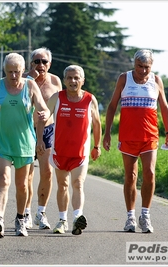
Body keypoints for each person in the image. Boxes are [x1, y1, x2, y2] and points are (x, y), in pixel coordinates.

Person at [0, 53, 50, 238]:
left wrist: (45, 114)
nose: (13, 76)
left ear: (23, 71)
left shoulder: (30, 86)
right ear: (4, 71)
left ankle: (20, 219)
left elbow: (43, 107)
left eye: (17, 72)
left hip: (24, 143)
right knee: (3, 180)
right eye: (10, 72)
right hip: (2, 141)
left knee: (22, 185)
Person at [102, 49, 168, 233]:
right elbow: (111, 107)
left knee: (149, 173)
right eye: (139, 66)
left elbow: (164, 107)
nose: (142, 70)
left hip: (149, 136)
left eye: (146, 67)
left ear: (152, 66)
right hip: (128, 136)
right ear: (134, 64)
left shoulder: (156, 81)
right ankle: (130, 217)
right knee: (130, 177)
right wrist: (107, 132)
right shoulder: (124, 79)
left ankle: (146, 215)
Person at [37, 65, 102, 235]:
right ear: (64, 80)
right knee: (63, 185)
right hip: (60, 152)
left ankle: (77, 218)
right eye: (70, 78)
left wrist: (97, 146)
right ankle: (62, 220)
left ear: (82, 80)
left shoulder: (90, 99)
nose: (73, 81)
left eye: (76, 78)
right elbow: (43, 118)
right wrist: (39, 140)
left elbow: (96, 124)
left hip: (80, 153)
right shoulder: (56, 98)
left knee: (78, 183)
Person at [22, 47, 62, 230]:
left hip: (49, 131)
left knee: (47, 171)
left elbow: (61, 108)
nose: (40, 65)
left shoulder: (55, 81)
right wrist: (30, 79)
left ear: (50, 63)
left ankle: (41, 212)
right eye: (36, 61)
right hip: (27, 131)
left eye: (44, 61)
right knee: (28, 174)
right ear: (31, 63)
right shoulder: (24, 80)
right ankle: (27, 213)